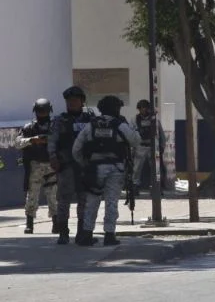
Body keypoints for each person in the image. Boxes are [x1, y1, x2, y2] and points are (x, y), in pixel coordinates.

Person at [72, 95, 140, 247]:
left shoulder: (91, 126)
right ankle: (109, 235)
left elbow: (76, 149)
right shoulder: (119, 124)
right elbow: (136, 140)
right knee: (111, 202)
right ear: (116, 109)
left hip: (94, 169)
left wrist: (84, 164)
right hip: (116, 169)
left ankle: (87, 234)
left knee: (91, 202)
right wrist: (131, 127)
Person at [49, 86, 97, 245]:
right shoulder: (60, 120)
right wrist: (53, 157)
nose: (72, 103)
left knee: (84, 199)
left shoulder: (90, 120)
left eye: (75, 100)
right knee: (63, 199)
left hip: (84, 166)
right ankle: (63, 233)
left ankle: (82, 233)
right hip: (66, 165)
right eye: (69, 101)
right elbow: (52, 141)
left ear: (82, 102)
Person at [16, 99, 58, 234]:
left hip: (52, 164)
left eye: (44, 111)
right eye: (40, 111)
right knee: (32, 195)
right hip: (35, 165)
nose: (42, 114)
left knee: (53, 195)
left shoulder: (56, 126)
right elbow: (18, 143)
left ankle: (56, 224)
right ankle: (30, 224)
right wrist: (32, 140)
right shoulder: (29, 127)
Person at [132, 100, 166, 193]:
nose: (143, 110)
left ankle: (156, 186)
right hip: (140, 146)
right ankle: (135, 186)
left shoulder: (154, 119)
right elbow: (131, 134)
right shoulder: (135, 119)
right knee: (136, 168)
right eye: (141, 108)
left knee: (156, 168)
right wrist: (132, 148)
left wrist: (162, 146)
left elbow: (161, 134)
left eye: (145, 107)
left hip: (153, 146)